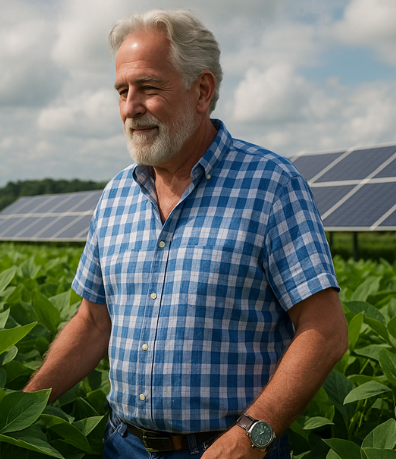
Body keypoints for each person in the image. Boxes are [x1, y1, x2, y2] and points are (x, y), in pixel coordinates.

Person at [24, 8, 348, 459]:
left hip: (230, 449)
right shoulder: (117, 195)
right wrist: (23, 404)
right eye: (122, 91)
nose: (131, 106)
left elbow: (325, 330)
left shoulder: (271, 185)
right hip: (123, 446)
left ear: (202, 91)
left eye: (149, 88)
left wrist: (253, 435)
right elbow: (93, 322)